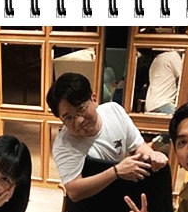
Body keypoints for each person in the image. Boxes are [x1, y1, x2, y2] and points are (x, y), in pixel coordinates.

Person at [47, 72, 169, 203]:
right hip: (89, 206)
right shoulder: (64, 144)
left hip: (123, 194)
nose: (78, 121)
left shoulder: (114, 111)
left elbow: (138, 146)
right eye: (68, 118)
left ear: (94, 99)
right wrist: (115, 172)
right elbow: (74, 191)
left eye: (81, 109)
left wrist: (152, 154)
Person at [145, 49, 184, 114]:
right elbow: (184, 77)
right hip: (164, 103)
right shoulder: (173, 56)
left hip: (151, 105)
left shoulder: (157, 58)